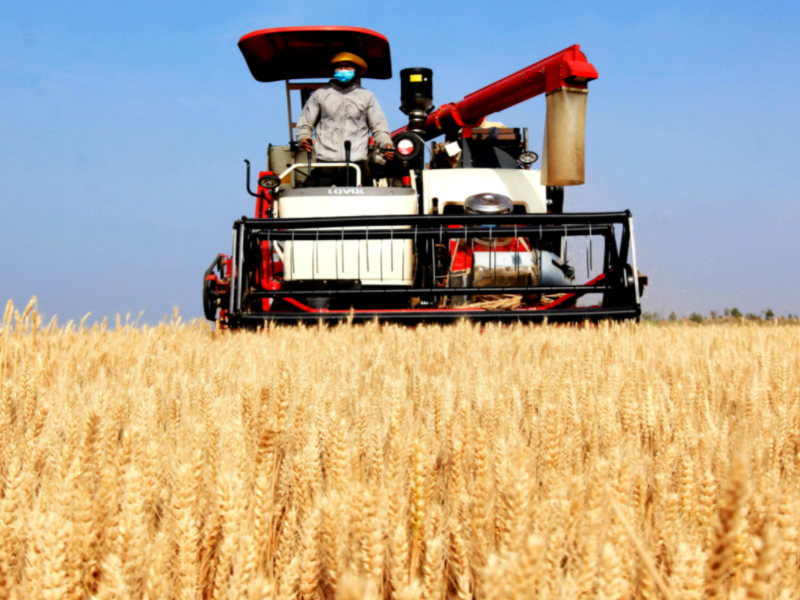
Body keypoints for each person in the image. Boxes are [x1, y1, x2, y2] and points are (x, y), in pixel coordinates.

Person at [295, 52, 394, 186]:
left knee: (367, 203)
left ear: (356, 70)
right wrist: (304, 138)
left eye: (347, 67)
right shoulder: (320, 94)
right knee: (310, 199)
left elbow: (379, 128)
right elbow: (304, 125)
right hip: (325, 163)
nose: (343, 70)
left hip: (356, 163)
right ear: (333, 70)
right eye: (339, 67)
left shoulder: (367, 96)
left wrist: (385, 144)